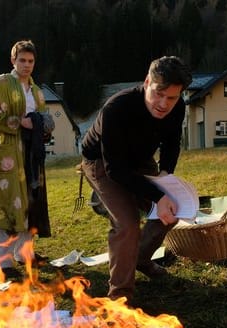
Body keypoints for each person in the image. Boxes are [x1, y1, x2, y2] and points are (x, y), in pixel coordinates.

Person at [81, 56, 192, 302]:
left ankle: (140, 258)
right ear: (147, 82)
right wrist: (157, 195)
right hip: (102, 161)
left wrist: (165, 175)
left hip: (140, 159)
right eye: (158, 93)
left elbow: (172, 141)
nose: (163, 104)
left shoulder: (178, 107)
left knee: (174, 207)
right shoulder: (116, 108)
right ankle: (120, 294)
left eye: (171, 98)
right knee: (127, 223)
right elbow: (115, 170)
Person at [0, 40, 53, 279]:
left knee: (31, 200)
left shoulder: (37, 90)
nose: (27, 65)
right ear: (13, 60)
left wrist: (45, 125)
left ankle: (25, 254)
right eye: (22, 60)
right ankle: (4, 261)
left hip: (33, 153)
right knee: (9, 201)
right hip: (10, 152)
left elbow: (44, 117)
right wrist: (20, 121)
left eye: (31, 61)